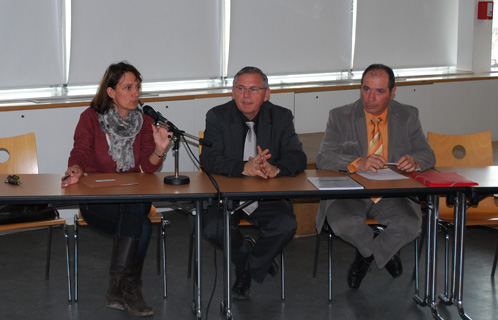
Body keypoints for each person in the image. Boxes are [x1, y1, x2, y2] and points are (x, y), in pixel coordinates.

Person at [62, 62, 173, 316]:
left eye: (137, 87)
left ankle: (118, 287)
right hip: (98, 200)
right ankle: (128, 288)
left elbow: (148, 166)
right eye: (128, 87)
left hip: (133, 197)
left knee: (134, 206)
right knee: (142, 226)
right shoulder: (90, 118)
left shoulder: (145, 122)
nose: (136, 93)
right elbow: (79, 152)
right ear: (111, 92)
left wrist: (158, 150)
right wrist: (77, 169)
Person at [315, 63, 435, 289]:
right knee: (343, 223)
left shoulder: (408, 115)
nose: (370, 98)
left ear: (392, 92)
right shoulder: (340, 116)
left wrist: (415, 160)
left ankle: (366, 255)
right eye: (366, 89)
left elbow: (427, 153)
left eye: (379, 91)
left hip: (393, 193)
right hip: (350, 192)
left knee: (410, 225)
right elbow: (324, 158)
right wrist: (357, 162)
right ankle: (383, 254)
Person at [200, 66, 307, 299]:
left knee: (285, 224)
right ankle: (255, 261)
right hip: (227, 194)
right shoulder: (217, 116)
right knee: (213, 228)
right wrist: (242, 167)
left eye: (253, 89)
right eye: (240, 88)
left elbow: (297, 156)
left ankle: (247, 269)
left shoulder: (281, 116)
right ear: (232, 91)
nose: (246, 95)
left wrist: (276, 168)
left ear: (266, 94)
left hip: (266, 193)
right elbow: (208, 159)